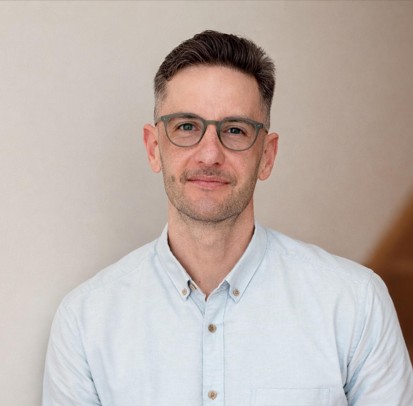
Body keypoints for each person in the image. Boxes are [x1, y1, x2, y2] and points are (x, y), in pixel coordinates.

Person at [43, 30, 413, 405]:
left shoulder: (355, 304)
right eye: (187, 126)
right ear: (154, 148)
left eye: (235, 130)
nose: (210, 154)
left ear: (267, 156)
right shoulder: (85, 321)